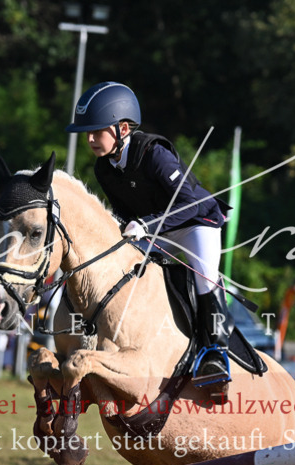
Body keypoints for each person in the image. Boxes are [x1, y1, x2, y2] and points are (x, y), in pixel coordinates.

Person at [66, 81, 233, 391]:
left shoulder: (154, 154)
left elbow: (189, 204)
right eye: (87, 133)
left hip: (196, 222)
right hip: (155, 229)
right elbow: (122, 213)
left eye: (96, 131)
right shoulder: (104, 169)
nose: (89, 139)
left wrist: (146, 224)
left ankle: (216, 353)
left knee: (205, 279)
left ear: (123, 128)